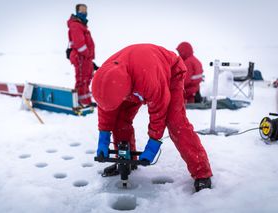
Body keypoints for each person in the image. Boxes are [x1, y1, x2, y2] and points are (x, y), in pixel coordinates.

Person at [92, 44, 213, 192]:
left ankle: (202, 172)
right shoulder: (107, 79)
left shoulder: (149, 81)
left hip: (169, 73)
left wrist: (153, 143)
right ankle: (126, 161)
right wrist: (103, 137)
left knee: (176, 122)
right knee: (120, 119)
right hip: (134, 75)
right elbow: (106, 109)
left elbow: (159, 111)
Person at [67, 4, 95, 106]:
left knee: (86, 79)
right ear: (77, 11)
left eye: (85, 11)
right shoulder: (76, 25)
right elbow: (79, 44)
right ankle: (80, 102)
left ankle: (86, 101)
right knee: (82, 80)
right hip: (80, 58)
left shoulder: (82, 25)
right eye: (82, 11)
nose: (84, 13)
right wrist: (87, 54)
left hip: (85, 58)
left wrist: (90, 59)